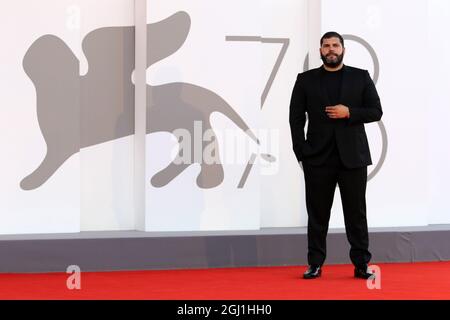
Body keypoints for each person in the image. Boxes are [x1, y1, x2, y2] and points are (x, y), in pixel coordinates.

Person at [289, 31, 383, 279]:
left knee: (356, 214)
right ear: (320, 50)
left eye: (335, 45)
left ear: (343, 49)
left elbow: (376, 111)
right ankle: (315, 263)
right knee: (317, 215)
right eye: (326, 45)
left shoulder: (360, 77)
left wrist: (349, 112)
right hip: (317, 159)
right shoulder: (305, 80)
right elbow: (295, 118)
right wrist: (302, 151)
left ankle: (362, 264)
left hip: (352, 158)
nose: (331, 49)